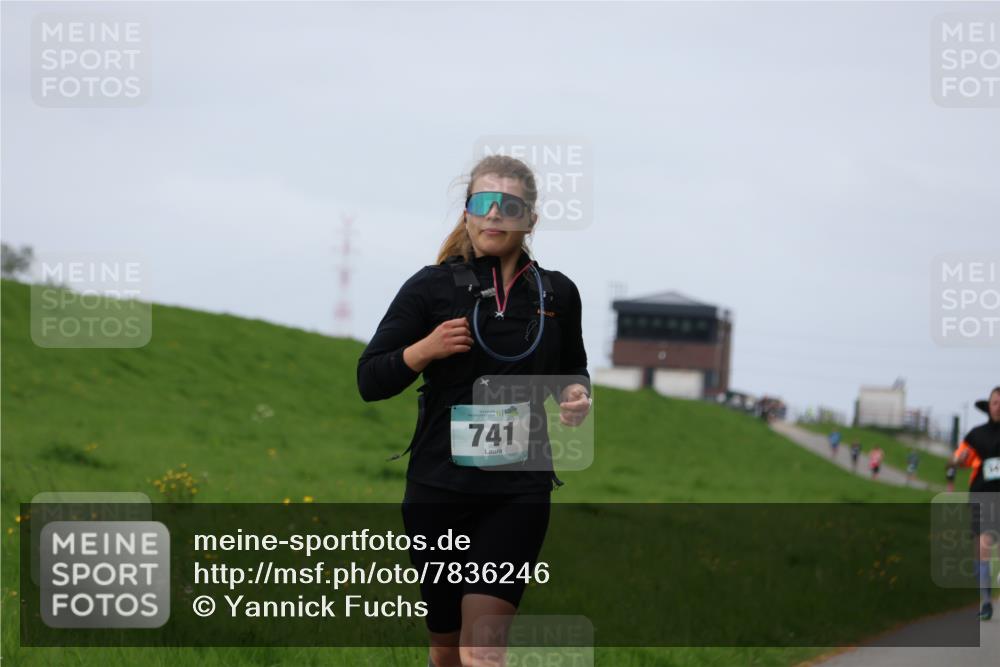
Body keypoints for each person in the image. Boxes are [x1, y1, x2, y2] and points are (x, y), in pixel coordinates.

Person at [357, 154, 591, 667]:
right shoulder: (430, 288)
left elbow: (571, 369)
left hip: (518, 491)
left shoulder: (559, 293)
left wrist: (574, 396)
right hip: (439, 490)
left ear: (529, 218)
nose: (493, 214)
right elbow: (369, 379)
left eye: (508, 205)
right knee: (445, 645)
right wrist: (425, 350)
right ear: (466, 213)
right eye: (482, 203)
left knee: (482, 647)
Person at [951, 386, 1000, 622]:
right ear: (988, 406)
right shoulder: (976, 435)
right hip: (981, 496)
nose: (998, 406)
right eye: (995, 402)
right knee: (982, 548)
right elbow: (960, 458)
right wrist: (959, 460)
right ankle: (986, 601)